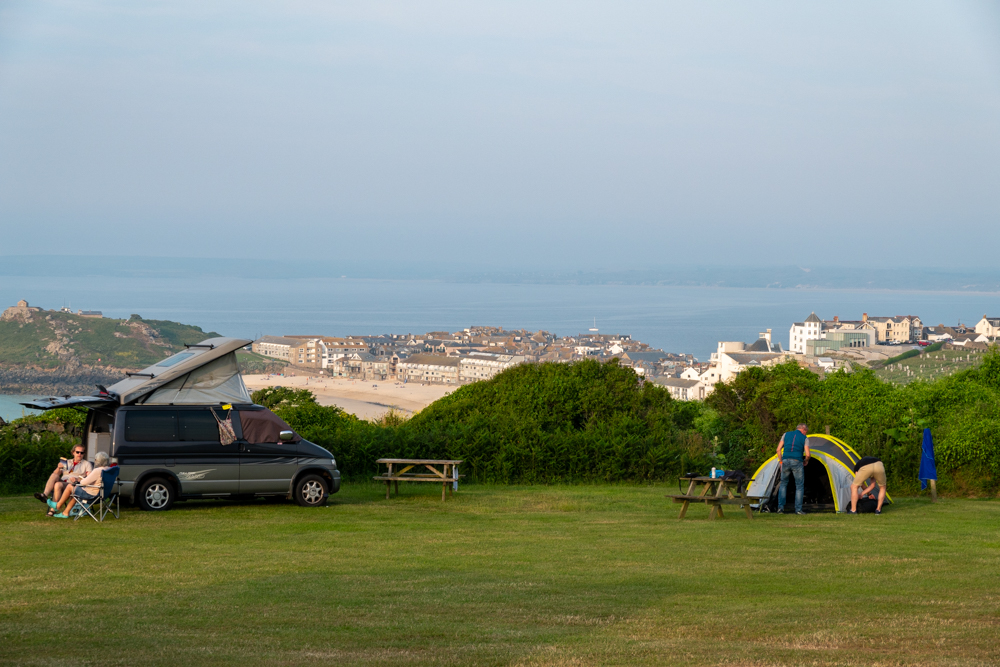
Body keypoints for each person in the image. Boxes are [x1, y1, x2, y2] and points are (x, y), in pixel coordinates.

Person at [49, 452, 111, 518]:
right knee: (75, 490)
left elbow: (84, 482)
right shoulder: (109, 469)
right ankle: (65, 512)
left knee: (70, 487)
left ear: (97, 461)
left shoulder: (97, 470)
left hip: (92, 495)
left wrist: (78, 480)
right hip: (103, 494)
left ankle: (58, 506)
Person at [776, 423, 810, 515]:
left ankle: (780, 508)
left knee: (783, 484)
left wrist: (781, 461)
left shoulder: (785, 434)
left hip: (786, 460)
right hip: (797, 461)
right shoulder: (805, 438)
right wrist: (806, 461)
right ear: (803, 430)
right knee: (799, 485)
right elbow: (807, 454)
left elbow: (778, 449)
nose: (806, 434)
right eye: (806, 432)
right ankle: (798, 510)